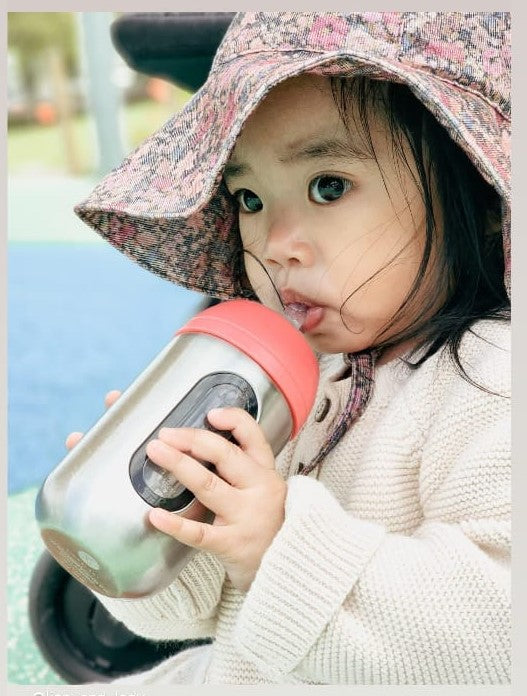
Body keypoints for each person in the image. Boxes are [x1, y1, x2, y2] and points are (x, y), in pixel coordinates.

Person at [71, 12, 510, 685]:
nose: (274, 243)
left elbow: (496, 631)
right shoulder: (292, 378)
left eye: (327, 186)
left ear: (479, 194)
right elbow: (197, 612)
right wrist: (150, 520)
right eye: (247, 197)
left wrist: (278, 543)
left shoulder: (491, 379)